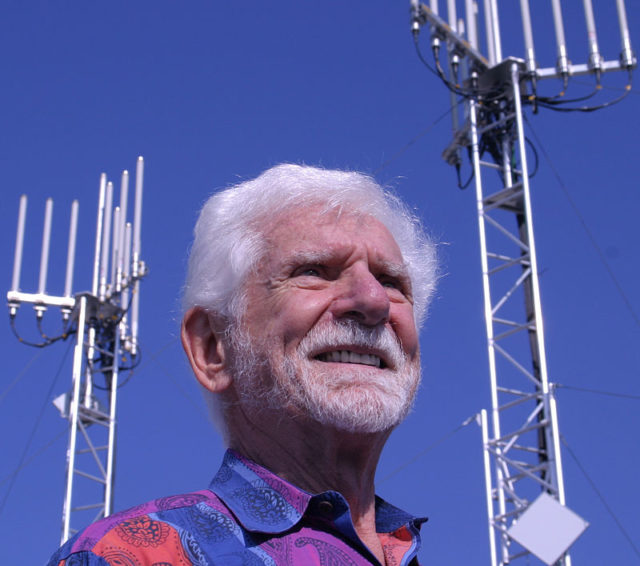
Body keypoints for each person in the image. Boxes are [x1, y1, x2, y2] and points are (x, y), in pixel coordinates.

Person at [47, 164, 438, 566]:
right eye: (313, 271)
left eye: (391, 281)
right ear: (214, 347)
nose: (374, 302)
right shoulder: (131, 555)